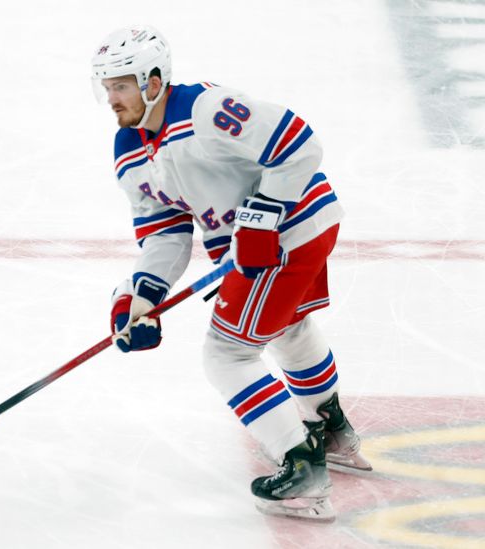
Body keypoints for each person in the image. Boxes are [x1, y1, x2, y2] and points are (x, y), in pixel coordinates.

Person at [91, 25, 370, 522]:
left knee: (228, 354)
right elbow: (164, 233)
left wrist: (263, 218)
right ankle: (330, 431)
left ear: (154, 81)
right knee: (286, 328)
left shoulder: (204, 110)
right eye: (106, 87)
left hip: (292, 229)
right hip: (280, 240)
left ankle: (302, 471)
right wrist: (141, 295)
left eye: (121, 86)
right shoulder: (128, 150)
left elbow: (298, 142)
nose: (112, 99)